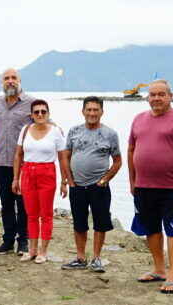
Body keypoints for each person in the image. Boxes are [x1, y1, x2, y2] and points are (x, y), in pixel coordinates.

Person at [128, 79, 173, 294]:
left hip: (172, 187)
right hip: (143, 186)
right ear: (147, 97)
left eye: (161, 94)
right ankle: (158, 269)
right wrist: (132, 182)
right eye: (152, 95)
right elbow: (131, 150)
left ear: (170, 96)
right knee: (151, 228)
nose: (156, 98)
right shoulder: (139, 119)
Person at [61, 96, 122, 273]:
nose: (92, 113)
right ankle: (80, 257)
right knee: (79, 223)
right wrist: (68, 180)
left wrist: (105, 180)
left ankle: (96, 258)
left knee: (100, 223)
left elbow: (117, 161)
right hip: (77, 186)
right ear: (83, 111)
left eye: (96, 110)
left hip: (99, 187)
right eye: (89, 109)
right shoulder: (74, 131)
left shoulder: (110, 134)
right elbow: (66, 156)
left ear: (102, 112)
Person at [12, 99, 69, 264]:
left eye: (43, 111)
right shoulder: (25, 130)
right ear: (31, 115)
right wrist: (16, 178)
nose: (40, 114)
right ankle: (31, 250)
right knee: (30, 214)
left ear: (48, 114)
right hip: (27, 172)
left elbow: (63, 157)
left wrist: (64, 182)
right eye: (36, 112)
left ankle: (43, 251)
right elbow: (18, 155)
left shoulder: (56, 131)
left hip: (47, 172)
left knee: (46, 214)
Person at [0, 68, 36, 256]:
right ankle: (8, 241)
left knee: (24, 204)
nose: (10, 81)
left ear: (19, 81)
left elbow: (43, 123)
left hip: (23, 162)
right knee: (6, 203)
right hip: (1, 161)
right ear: (2, 82)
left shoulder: (31, 102)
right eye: (6, 78)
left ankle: (23, 242)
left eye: (13, 78)